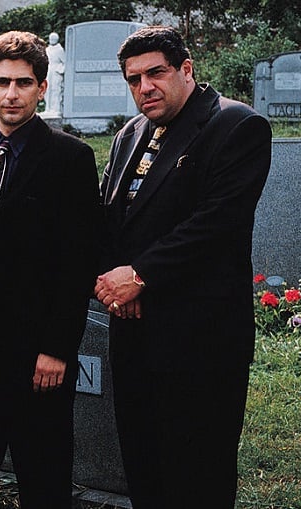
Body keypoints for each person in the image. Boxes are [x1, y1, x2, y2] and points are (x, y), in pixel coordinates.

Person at [94, 26, 271, 508]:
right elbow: (109, 217)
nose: (145, 87)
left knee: (198, 474)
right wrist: (117, 284)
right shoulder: (130, 133)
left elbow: (218, 222)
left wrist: (141, 276)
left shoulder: (236, 125)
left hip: (200, 338)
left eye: (156, 73)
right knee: (144, 467)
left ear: (186, 69)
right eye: (134, 80)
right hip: (134, 330)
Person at [0, 31, 100, 509]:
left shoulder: (70, 158)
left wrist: (56, 348)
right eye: (2, 82)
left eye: (24, 82)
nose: (12, 93)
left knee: (44, 475)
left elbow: (78, 261)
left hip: (39, 357)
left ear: (42, 88)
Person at [44, 32, 65, 114]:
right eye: (51, 39)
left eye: (54, 39)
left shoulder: (60, 50)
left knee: (56, 90)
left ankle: (56, 109)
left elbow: (65, 62)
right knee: (47, 89)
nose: (52, 40)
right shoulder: (47, 50)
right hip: (48, 71)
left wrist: (59, 70)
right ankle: (48, 108)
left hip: (56, 72)